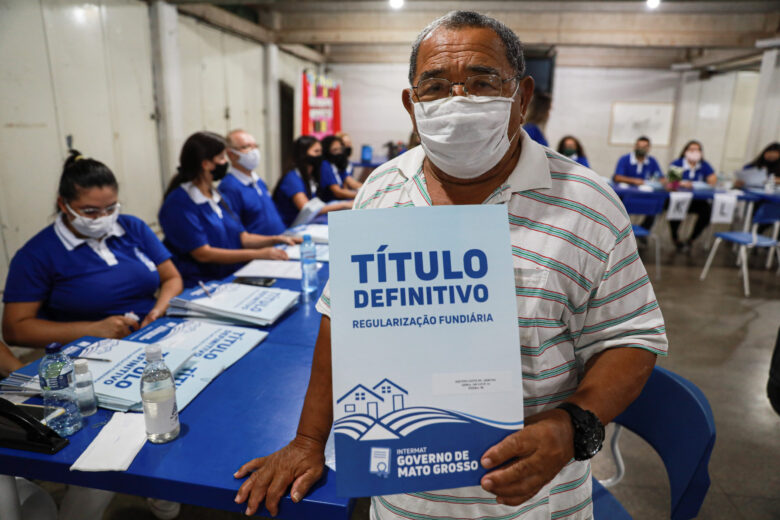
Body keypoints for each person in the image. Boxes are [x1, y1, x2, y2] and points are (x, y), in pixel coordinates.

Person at [234, 11, 667, 520]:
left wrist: (572, 425)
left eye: (483, 82)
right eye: (435, 86)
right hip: (402, 501)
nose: (458, 101)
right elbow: (344, 323)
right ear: (411, 105)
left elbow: (631, 337)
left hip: (535, 502)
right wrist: (309, 439)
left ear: (522, 97)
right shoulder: (380, 189)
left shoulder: (589, 202)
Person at [2, 151, 183, 348]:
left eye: (111, 208)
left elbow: (172, 278)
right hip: (89, 352)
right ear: (63, 204)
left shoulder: (132, 227)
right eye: (90, 211)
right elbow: (14, 330)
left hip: (152, 335)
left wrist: (158, 310)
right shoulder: (37, 255)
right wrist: (90, 331)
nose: (103, 217)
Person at [159, 132, 291, 289]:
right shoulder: (179, 203)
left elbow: (242, 237)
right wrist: (259, 254)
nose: (225, 162)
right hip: (203, 285)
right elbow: (203, 253)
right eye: (221, 158)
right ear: (206, 164)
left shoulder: (215, 194)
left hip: (231, 277)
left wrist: (276, 239)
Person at [220, 129, 289, 236]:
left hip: (281, 242)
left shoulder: (257, 180)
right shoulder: (229, 187)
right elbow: (236, 233)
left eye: (255, 146)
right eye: (246, 147)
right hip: (260, 250)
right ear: (231, 154)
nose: (254, 151)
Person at [272, 136, 352, 226]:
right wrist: (344, 205)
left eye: (321, 152)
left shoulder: (311, 175)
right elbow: (307, 209)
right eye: (316, 152)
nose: (320, 156)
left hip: (308, 222)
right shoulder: (292, 178)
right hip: (293, 226)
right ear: (303, 154)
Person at [668, 140, 716, 252]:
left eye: (697, 150)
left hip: (697, 200)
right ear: (685, 151)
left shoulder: (704, 165)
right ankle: (675, 238)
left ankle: (692, 239)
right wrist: (682, 183)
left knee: (707, 212)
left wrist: (693, 184)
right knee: (676, 210)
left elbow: (712, 180)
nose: (694, 152)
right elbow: (672, 183)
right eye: (691, 150)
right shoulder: (678, 163)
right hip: (679, 199)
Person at [319, 135, 361, 201]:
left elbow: (352, 182)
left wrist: (367, 189)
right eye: (335, 150)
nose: (339, 152)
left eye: (340, 149)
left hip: (340, 200)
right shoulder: (325, 165)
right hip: (329, 202)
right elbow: (338, 192)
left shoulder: (338, 164)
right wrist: (361, 195)